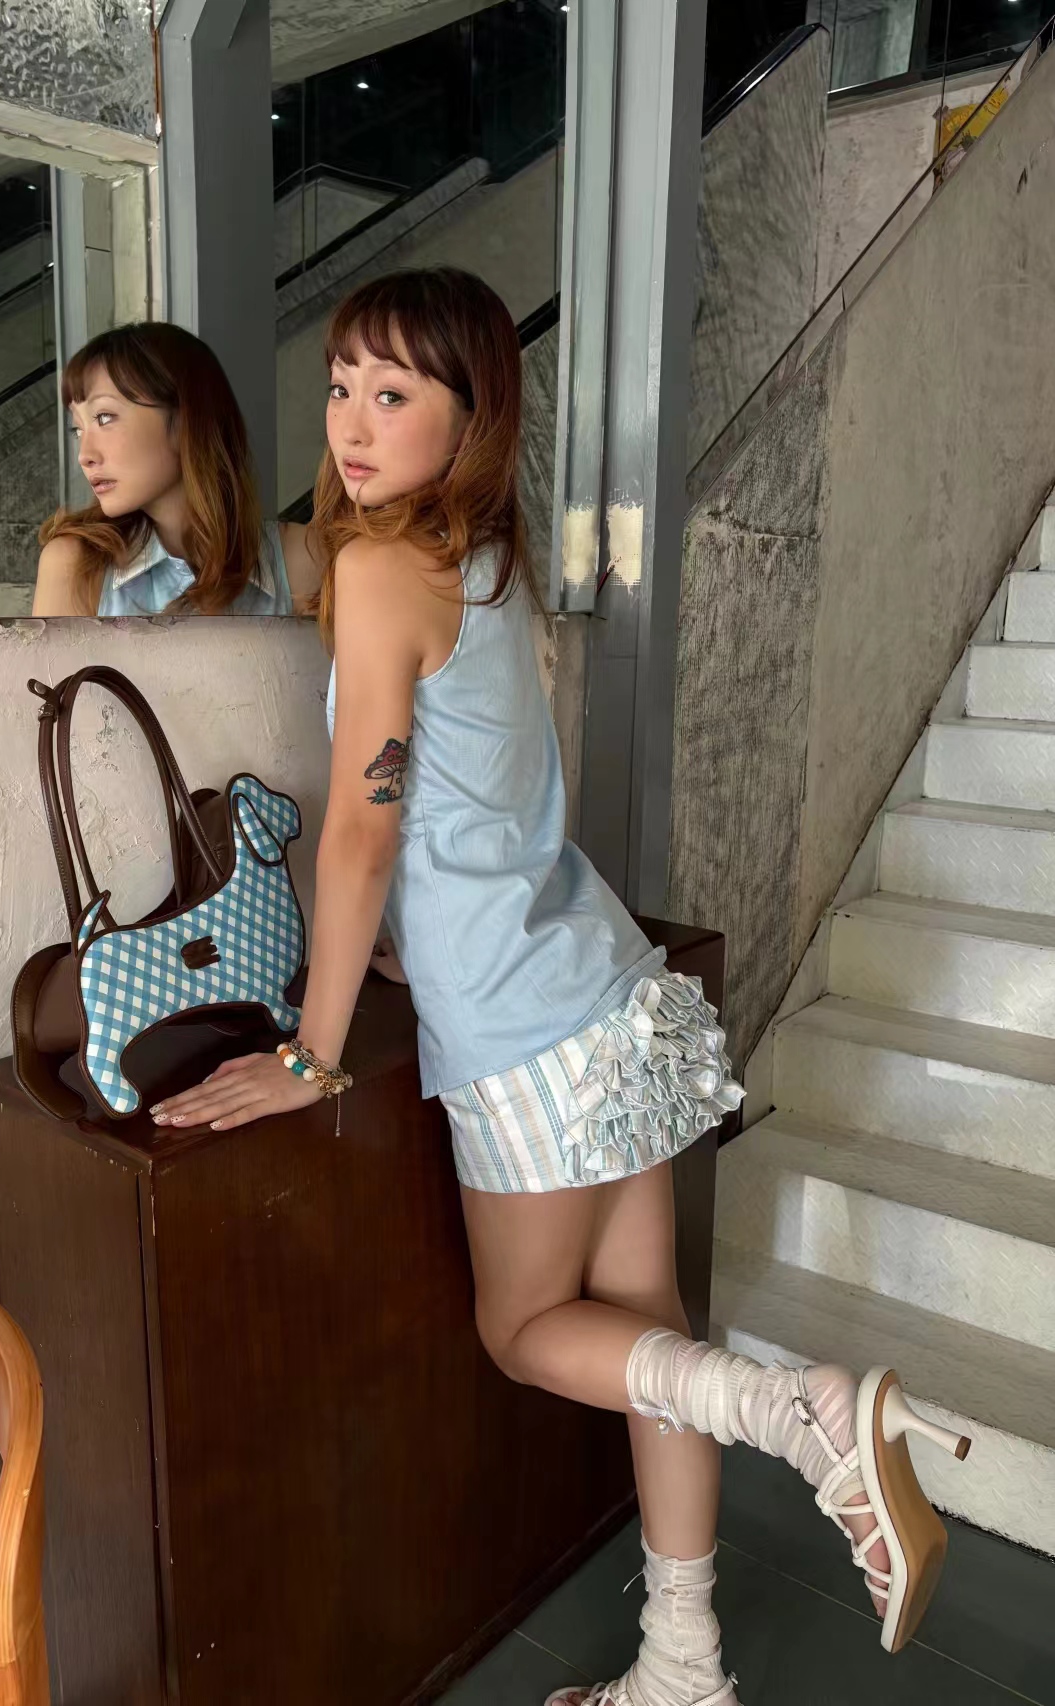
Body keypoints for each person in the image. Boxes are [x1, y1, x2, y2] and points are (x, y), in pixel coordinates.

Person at [148, 268, 971, 1705]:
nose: (350, 419)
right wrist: (410, 941)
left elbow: (362, 829)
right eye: (338, 385)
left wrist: (311, 1052)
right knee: (647, 1323)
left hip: (522, 1027)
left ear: (469, 414)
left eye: (392, 392)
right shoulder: (484, 560)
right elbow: (479, 795)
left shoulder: (381, 572)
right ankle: (682, 1668)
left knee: (525, 1331)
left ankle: (802, 1414)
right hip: (610, 985)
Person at [32, 321, 320, 617]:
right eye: (77, 429)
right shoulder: (75, 566)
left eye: (104, 418)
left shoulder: (303, 558)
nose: (85, 455)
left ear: (186, 420)